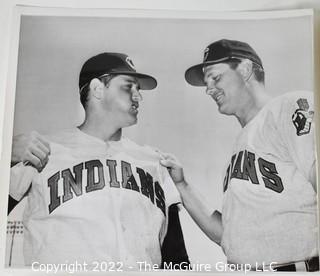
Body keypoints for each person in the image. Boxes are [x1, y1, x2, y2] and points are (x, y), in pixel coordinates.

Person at [9, 52, 189, 269]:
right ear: (97, 89)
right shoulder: (41, 149)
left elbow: (175, 256)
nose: (138, 96)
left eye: (138, 89)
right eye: (129, 86)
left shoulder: (154, 161)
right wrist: (4, 155)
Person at [160, 39, 318, 272]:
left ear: (245, 70)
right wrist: (182, 186)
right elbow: (229, 237)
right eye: (206, 82)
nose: (209, 89)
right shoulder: (240, 147)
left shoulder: (289, 107)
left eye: (215, 77)